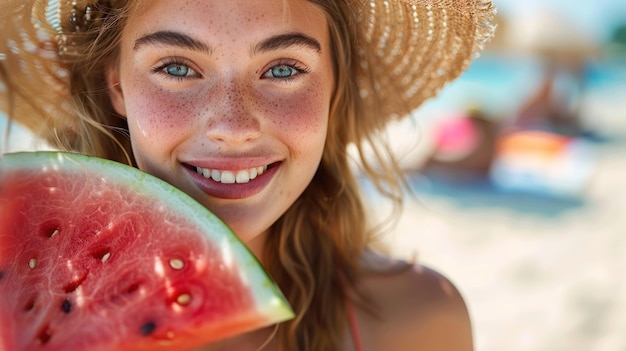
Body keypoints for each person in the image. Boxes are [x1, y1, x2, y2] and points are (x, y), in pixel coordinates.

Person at [1, 0, 496, 350]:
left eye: (282, 69)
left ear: (332, 89)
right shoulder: (14, 321)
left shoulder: (422, 322)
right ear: (118, 87)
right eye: (176, 68)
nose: (233, 128)